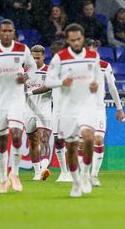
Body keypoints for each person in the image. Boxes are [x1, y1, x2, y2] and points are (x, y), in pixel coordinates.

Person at [0, 19, 37, 194]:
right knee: (1, 142)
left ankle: (15, 174)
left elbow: (32, 69)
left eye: (10, 31)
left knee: (17, 135)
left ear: (14, 31)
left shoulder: (22, 49)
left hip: (16, 99)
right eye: (4, 31)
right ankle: (3, 179)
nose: (7, 34)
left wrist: (25, 77)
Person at [45, 23, 102, 197]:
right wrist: (62, 82)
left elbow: (99, 81)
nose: (76, 43)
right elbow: (48, 81)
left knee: (88, 138)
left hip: (87, 105)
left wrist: (95, 88)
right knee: (70, 147)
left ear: (83, 38)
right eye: (72, 40)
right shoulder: (60, 57)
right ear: (68, 40)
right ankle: (76, 182)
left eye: (78, 39)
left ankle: (85, 175)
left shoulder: (93, 56)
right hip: (68, 108)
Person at [80, 38, 125, 186]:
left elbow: (112, 87)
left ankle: (94, 175)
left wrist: (119, 108)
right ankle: (83, 175)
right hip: (81, 108)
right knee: (82, 143)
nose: (92, 51)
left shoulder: (105, 66)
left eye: (95, 48)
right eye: (89, 48)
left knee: (98, 140)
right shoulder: (76, 66)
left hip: (98, 108)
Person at [24, 45, 53, 181]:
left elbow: (48, 86)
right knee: (33, 141)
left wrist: (30, 92)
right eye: (33, 57)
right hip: (28, 110)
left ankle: (43, 168)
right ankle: (37, 172)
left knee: (44, 139)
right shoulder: (24, 72)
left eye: (38, 58)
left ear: (44, 56)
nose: (35, 60)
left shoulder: (49, 71)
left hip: (44, 109)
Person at [49, 39, 72, 182]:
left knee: (71, 141)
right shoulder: (52, 70)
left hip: (69, 110)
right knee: (58, 140)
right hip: (56, 110)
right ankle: (64, 172)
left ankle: (72, 171)